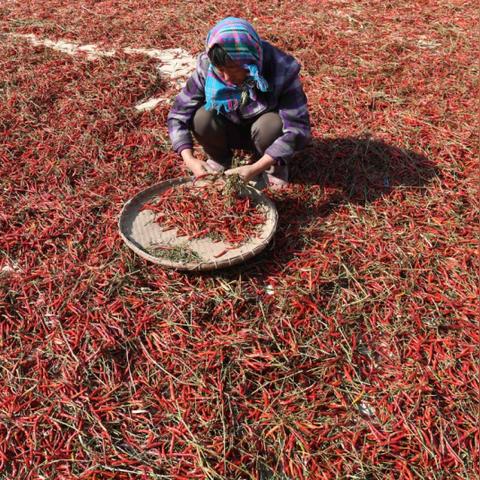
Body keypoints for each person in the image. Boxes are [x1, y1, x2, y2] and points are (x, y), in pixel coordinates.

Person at [167, 17, 311, 187]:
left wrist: (255, 168)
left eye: (235, 70)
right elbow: (177, 116)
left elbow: (298, 129)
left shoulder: (281, 69)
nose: (227, 79)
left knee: (272, 124)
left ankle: (271, 166)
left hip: (265, 134)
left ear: (251, 60)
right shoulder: (207, 67)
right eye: (221, 71)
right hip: (229, 129)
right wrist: (189, 159)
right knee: (201, 118)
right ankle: (220, 159)